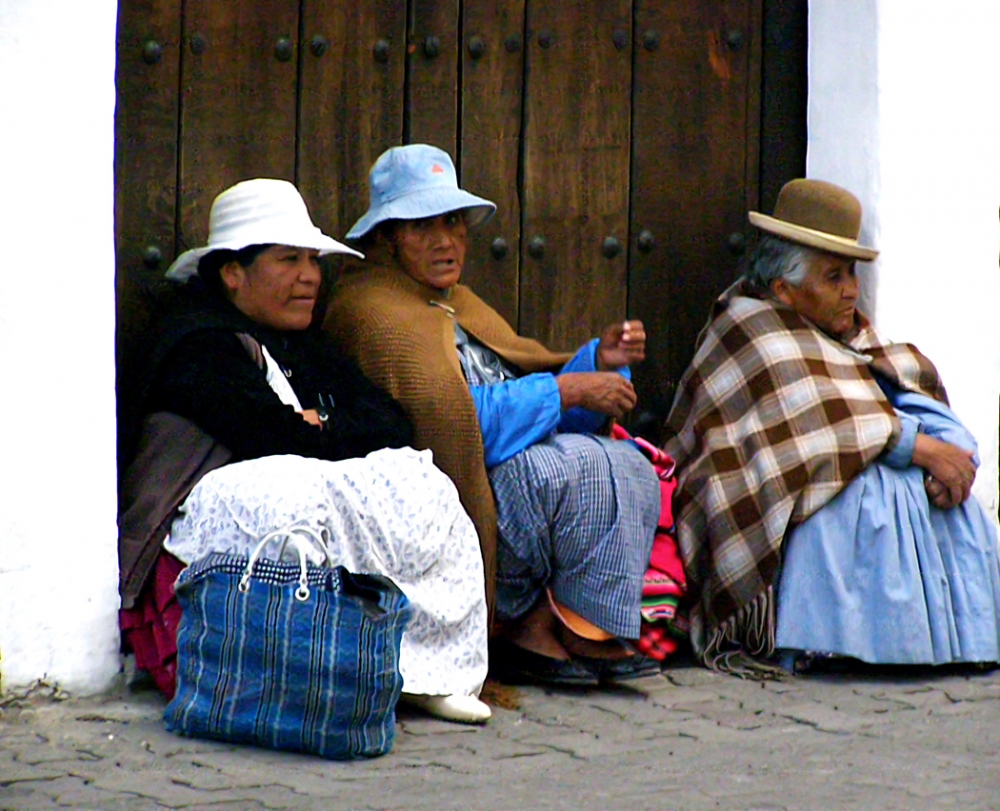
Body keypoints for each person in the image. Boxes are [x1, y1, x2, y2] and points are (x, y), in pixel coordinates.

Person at [118, 178, 491, 723]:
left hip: (311, 489)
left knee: (423, 481)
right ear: (232, 273)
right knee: (288, 494)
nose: (309, 277)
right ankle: (312, 669)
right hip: (207, 531)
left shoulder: (304, 340)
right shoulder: (198, 343)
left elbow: (391, 421)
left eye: (312, 260)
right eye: (288, 259)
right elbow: (274, 439)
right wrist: (309, 428)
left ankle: (420, 668)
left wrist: (324, 421)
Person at [324, 144, 662, 686]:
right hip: (457, 492)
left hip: (510, 469)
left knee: (627, 462)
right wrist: (568, 390)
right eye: (422, 226)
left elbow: (522, 387)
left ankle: (585, 625)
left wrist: (596, 365)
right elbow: (449, 423)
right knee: (565, 466)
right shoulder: (371, 313)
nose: (446, 240)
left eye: (454, 222)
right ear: (386, 238)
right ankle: (519, 628)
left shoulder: (459, 300)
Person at [663, 178, 1000, 674]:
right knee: (856, 486)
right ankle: (828, 641)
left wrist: (949, 447)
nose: (851, 292)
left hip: (874, 455)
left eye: (852, 275)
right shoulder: (749, 328)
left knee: (915, 483)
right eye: (834, 277)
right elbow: (816, 429)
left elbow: (885, 398)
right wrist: (917, 448)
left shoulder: (847, 335)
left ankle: (955, 641)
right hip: (781, 495)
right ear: (785, 288)